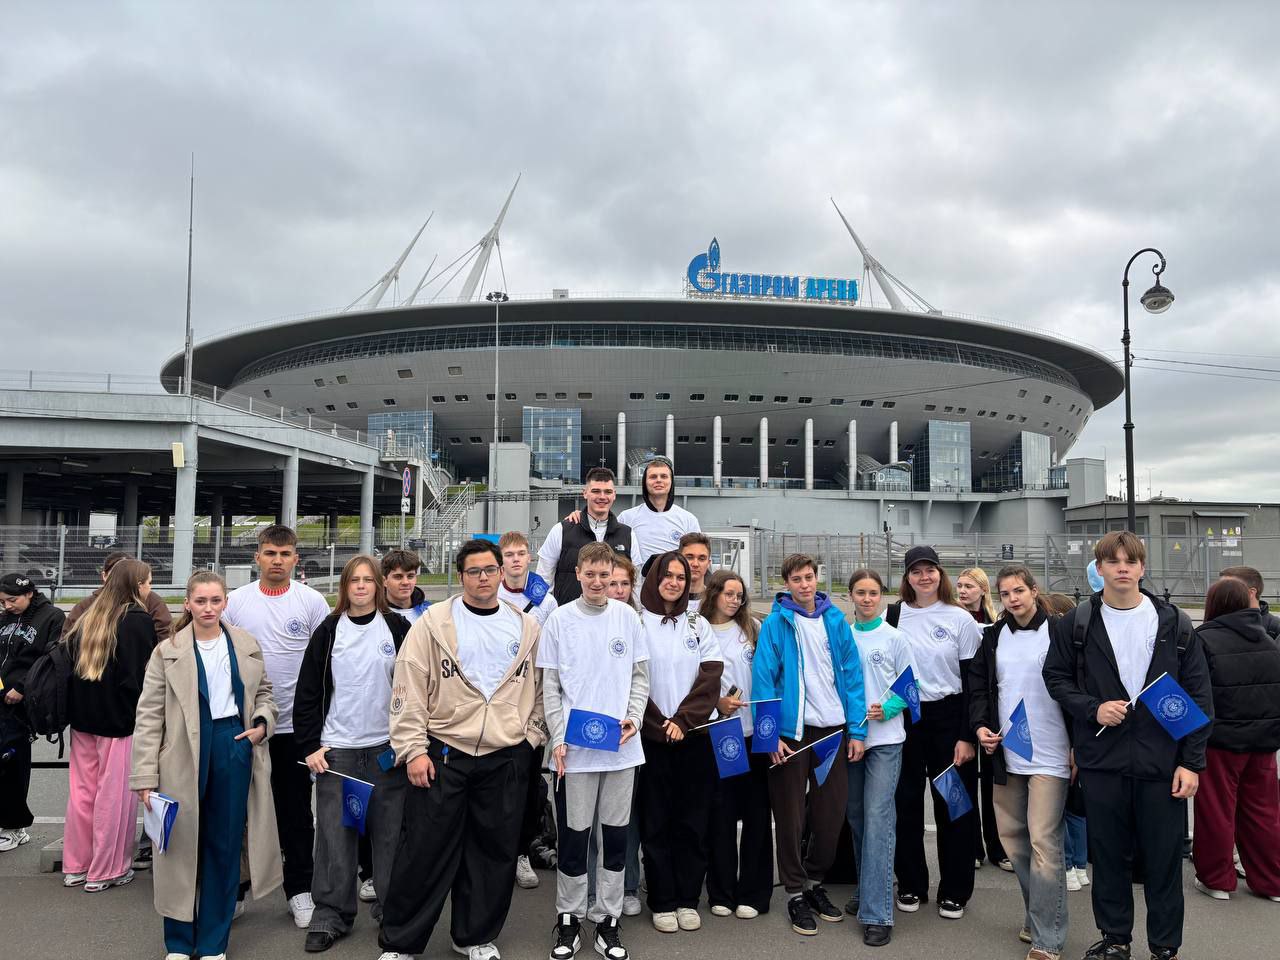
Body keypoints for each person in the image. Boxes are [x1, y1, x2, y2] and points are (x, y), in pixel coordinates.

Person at [1043, 531, 1212, 960]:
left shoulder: (1173, 621)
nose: (1122, 568)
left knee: (1163, 860)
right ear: (1098, 569)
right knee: (1109, 857)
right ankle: (1116, 937)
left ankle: (1164, 946)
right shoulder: (1077, 623)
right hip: (1103, 762)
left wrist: (1191, 763)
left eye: (1130, 561)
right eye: (1112, 561)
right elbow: (1056, 678)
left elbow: (1198, 695)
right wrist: (1091, 708)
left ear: (1141, 568)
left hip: (1162, 762)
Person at [378, 539, 548, 960]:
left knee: (492, 853)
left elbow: (543, 689)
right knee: (424, 851)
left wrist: (531, 737)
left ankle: (474, 937)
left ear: (502, 572)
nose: (484, 578)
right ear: (461, 576)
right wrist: (413, 749)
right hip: (445, 753)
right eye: (474, 571)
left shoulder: (525, 626)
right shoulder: (434, 623)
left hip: (505, 756)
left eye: (490, 569)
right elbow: (409, 687)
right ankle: (401, 943)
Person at [131, 571, 281, 960]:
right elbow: (148, 716)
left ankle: (214, 942)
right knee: (178, 845)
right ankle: (179, 942)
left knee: (224, 844)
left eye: (216, 600)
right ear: (188, 603)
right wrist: (145, 775)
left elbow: (264, 691)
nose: (209, 608)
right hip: (181, 752)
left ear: (225, 602)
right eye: (201, 601)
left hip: (232, 744)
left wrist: (262, 724)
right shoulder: (167, 651)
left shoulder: (245, 644)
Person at [293, 556, 412, 953]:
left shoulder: (397, 628)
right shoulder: (328, 631)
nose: (361, 586)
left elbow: (417, 688)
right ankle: (332, 914)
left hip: (386, 749)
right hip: (338, 751)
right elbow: (308, 692)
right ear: (345, 587)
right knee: (335, 836)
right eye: (354, 580)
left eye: (368, 580)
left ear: (378, 586)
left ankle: (393, 911)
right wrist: (310, 746)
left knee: (390, 837)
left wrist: (409, 743)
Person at [541, 542, 650, 960]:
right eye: (591, 574)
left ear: (613, 575)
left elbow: (640, 678)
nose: (599, 582)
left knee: (616, 838)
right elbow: (550, 687)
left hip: (621, 751)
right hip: (575, 754)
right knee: (574, 838)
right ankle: (568, 919)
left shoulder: (628, 618)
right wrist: (557, 738)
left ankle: (608, 920)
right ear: (578, 574)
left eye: (606, 575)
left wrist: (634, 718)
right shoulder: (559, 620)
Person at [222, 525, 332, 928]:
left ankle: (299, 890)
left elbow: (325, 663)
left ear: (296, 559)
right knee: (237, 812)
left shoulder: (312, 602)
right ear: (257, 557)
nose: (277, 561)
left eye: (285, 554)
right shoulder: (235, 602)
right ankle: (232, 891)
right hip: (245, 726)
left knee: (296, 813)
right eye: (270, 553)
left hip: (294, 730)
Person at [753, 553, 867, 937]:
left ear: (817, 579)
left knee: (830, 815)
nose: (804, 585)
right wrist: (769, 737)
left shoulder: (835, 620)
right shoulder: (776, 624)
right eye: (796, 579)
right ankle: (794, 892)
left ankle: (816, 882)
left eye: (809, 578)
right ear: (785, 584)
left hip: (832, 732)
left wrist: (858, 732)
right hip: (791, 735)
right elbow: (763, 681)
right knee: (789, 817)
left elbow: (852, 679)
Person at [971, 567, 1070, 960]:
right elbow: (979, 687)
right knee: (1015, 842)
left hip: (1052, 751)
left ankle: (1049, 938)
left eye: (1019, 591)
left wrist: (1078, 744)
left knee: (1044, 841)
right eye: (1005, 593)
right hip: (1008, 753)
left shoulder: (1060, 632)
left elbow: (1079, 686)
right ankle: (1037, 915)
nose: (1013, 598)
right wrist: (980, 726)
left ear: (1034, 590)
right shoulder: (994, 637)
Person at [886, 546, 982, 920]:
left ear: (940, 574)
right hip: (906, 718)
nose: (923, 577)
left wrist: (966, 735)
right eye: (916, 571)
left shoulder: (960, 619)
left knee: (953, 805)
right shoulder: (895, 616)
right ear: (907, 577)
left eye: (930, 570)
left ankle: (955, 890)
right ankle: (910, 883)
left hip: (949, 718)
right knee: (905, 803)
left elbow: (974, 683)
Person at [67, 550, 170, 873]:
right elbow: (138, 677)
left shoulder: (88, 614)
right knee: (115, 798)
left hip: (83, 719)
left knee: (81, 795)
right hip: (121, 721)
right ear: (136, 585)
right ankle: (107, 869)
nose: (150, 589)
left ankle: (76, 865)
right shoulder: (137, 621)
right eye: (148, 583)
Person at [636, 551, 722, 934]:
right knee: (656, 822)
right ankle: (662, 899)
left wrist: (683, 722)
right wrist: (660, 724)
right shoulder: (636, 621)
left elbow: (711, 676)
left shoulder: (697, 622)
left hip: (693, 737)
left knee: (692, 821)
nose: (674, 582)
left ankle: (688, 898)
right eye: (667, 575)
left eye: (681, 577)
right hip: (652, 739)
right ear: (654, 578)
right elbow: (632, 679)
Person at [1189, 576, 1280, 902]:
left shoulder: (1203, 640)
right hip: (1264, 743)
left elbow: (1197, 692)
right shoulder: (1270, 641)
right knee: (1265, 813)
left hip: (1220, 741)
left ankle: (1217, 879)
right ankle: (1271, 882)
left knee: (1216, 811)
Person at [843, 569, 911, 947]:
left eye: (873, 593)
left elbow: (910, 688)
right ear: (850, 597)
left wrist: (888, 708)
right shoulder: (843, 638)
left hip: (886, 741)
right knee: (856, 818)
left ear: (882, 597)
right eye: (860, 593)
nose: (867, 599)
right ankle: (868, 888)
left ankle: (878, 912)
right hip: (853, 741)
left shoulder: (895, 638)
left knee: (878, 819)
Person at [703, 569, 772, 921]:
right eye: (729, 593)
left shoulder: (753, 629)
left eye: (739, 595)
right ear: (714, 592)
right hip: (721, 734)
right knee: (722, 815)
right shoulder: (698, 629)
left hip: (754, 732)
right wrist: (717, 702)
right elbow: (689, 679)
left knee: (758, 813)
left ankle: (754, 893)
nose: (734, 600)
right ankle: (722, 890)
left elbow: (769, 674)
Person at [499, 530, 559, 892]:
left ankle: (522, 852)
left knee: (527, 784)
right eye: (510, 555)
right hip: (496, 701)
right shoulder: (490, 592)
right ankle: (495, 853)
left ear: (530, 558)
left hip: (530, 700)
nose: (517, 560)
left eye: (522, 553)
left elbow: (550, 652)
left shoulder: (545, 600)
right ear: (501, 559)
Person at [0, 572, 65, 853]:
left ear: (29, 594)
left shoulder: (52, 617)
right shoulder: (4, 617)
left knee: (11, 763)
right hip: (1, 694)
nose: (7, 606)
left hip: (23, 702)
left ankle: (14, 827)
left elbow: (50, 658)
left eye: (12, 600)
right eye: (2, 601)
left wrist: (23, 688)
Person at [958, 566, 1010, 873]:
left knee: (993, 783)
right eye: (960, 585)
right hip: (962, 710)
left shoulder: (996, 625)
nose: (963, 591)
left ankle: (998, 846)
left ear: (982, 591)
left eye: (969, 586)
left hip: (990, 712)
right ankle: (972, 846)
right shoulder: (951, 619)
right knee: (965, 783)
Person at [537, 467, 639, 604]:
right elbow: (543, 579)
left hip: (614, 621)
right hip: (570, 620)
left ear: (614, 495)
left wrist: (636, 614)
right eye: (596, 491)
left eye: (607, 492)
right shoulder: (561, 530)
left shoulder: (628, 534)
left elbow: (636, 583)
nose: (602, 497)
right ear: (585, 493)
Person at [66, 550, 173, 640]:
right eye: (115, 573)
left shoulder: (152, 602)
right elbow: (67, 641)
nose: (120, 578)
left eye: (125, 574)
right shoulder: (86, 605)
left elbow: (165, 635)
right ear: (104, 576)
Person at [617, 457, 700, 573]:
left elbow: (698, 558)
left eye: (664, 476)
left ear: (671, 482)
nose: (658, 480)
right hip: (638, 587)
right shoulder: (626, 517)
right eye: (653, 477)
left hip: (674, 586)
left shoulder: (689, 520)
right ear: (645, 482)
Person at [1219, 565, 1280, 640]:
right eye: (1219, 588)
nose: (1219, 593)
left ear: (1251, 592)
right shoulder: (1216, 625)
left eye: (1227, 588)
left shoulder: (1274, 627)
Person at [382, 549, 431, 624]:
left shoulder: (430, 613)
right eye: (398, 577)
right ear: (384, 581)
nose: (405, 582)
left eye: (410, 576)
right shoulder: (373, 615)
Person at [679, 532, 713, 615]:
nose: (695, 564)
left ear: (708, 563)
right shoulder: (667, 600)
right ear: (679, 559)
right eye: (689, 557)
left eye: (702, 558)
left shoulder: (715, 601)